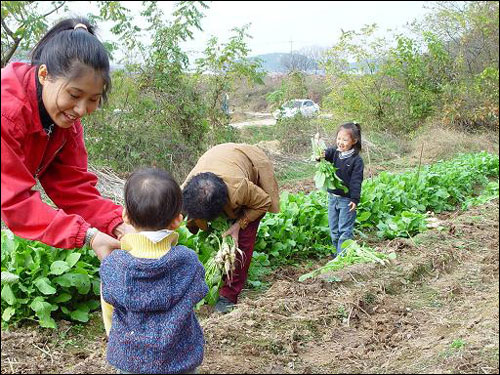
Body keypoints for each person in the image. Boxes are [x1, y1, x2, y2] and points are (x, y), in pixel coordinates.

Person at [1, 17, 134, 260]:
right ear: (44, 75)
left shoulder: (63, 122)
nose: (81, 109)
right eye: (74, 94)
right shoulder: (7, 112)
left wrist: (119, 225)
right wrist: (88, 236)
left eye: (93, 100)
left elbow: (72, 187)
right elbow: (15, 204)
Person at [100, 168, 208, 374]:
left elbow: (109, 313)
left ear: (125, 216)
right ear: (178, 220)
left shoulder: (113, 265)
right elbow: (198, 295)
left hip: (131, 361)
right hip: (180, 359)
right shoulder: (188, 262)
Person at [182, 143, 280, 314]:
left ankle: (229, 294)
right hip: (216, 159)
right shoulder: (186, 191)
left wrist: (238, 224)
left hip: (249, 161)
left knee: (243, 241)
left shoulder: (240, 188)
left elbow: (263, 202)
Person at [320, 122, 364, 257]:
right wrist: (320, 155)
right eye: (339, 139)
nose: (340, 142)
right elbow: (327, 153)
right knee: (333, 229)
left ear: (354, 141)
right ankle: (336, 254)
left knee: (344, 230)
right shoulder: (335, 153)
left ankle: (342, 257)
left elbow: (356, 181)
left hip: (346, 201)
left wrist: (354, 199)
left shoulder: (356, 160)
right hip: (333, 198)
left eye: (345, 140)